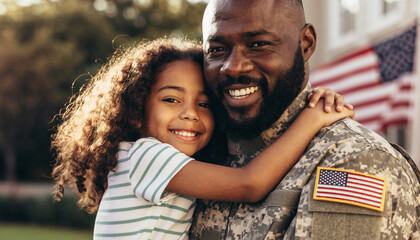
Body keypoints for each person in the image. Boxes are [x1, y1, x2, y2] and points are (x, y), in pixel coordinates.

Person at [51, 38, 353, 240]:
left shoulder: (161, 163)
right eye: (171, 100)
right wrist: (311, 119)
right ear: (136, 112)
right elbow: (248, 184)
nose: (191, 114)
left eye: (205, 104)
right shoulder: (145, 156)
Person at [190, 0, 420, 239]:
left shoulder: (353, 161)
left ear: (306, 43)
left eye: (258, 44)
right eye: (217, 49)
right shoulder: (196, 150)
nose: (233, 67)